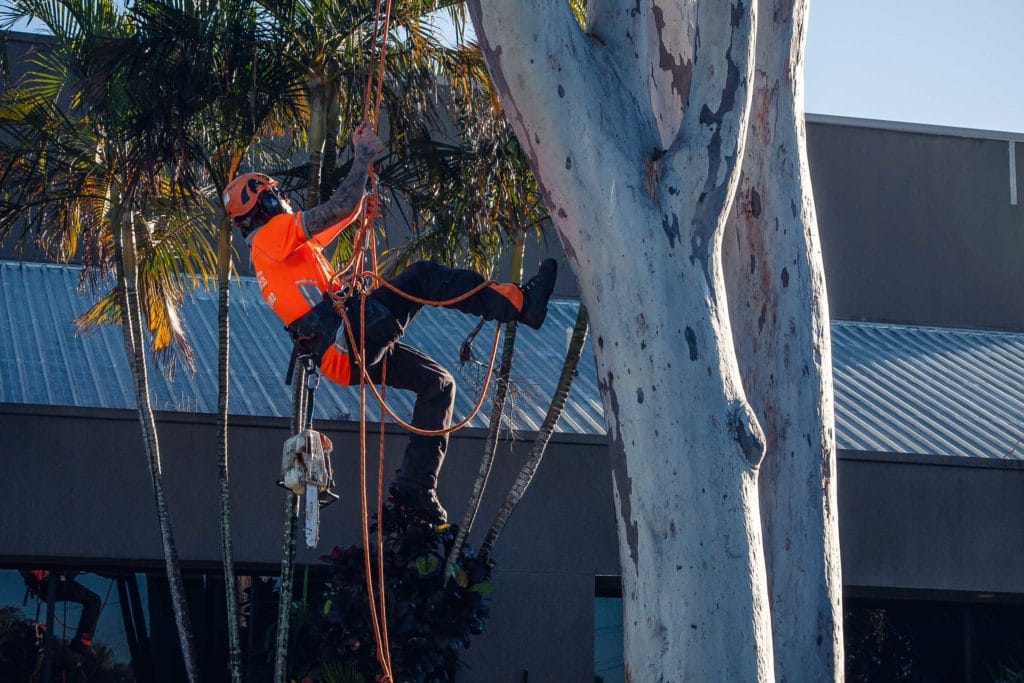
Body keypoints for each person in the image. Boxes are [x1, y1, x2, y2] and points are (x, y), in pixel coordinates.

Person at [223, 123, 557, 524]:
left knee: (438, 384)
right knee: (422, 277)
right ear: (265, 204)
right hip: (352, 337)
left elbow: (336, 219)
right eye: (275, 196)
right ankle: (521, 304)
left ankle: (415, 487)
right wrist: (362, 156)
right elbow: (337, 208)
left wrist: (359, 205)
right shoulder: (270, 237)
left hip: (345, 353)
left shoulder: (276, 250)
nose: (283, 200)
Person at [19, 570, 101, 659]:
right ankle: (83, 641)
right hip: (49, 582)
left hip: (48, 582)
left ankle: (82, 642)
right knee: (94, 601)